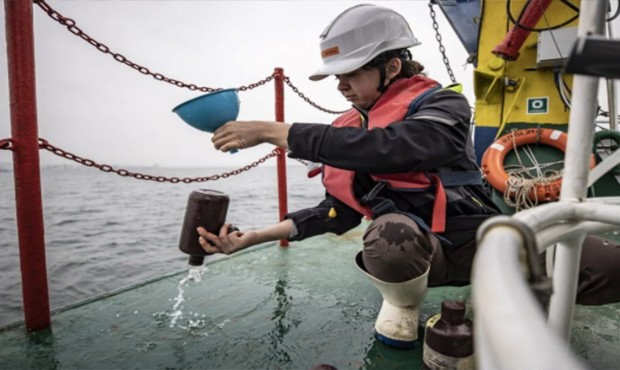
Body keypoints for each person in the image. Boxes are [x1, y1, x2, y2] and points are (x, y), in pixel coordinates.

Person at [196, 3, 620, 349]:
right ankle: (403, 305)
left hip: (484, 239)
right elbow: (336, 212)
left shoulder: (444, 106)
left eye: (352, 73)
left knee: (609, 266)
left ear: (392, 66)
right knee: (389, 234)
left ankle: (521, 288)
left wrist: (276, 132)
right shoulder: (345, 130)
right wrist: (252, 237)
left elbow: (401, 146)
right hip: (417, 254)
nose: (341, 85)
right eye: (337, 77)